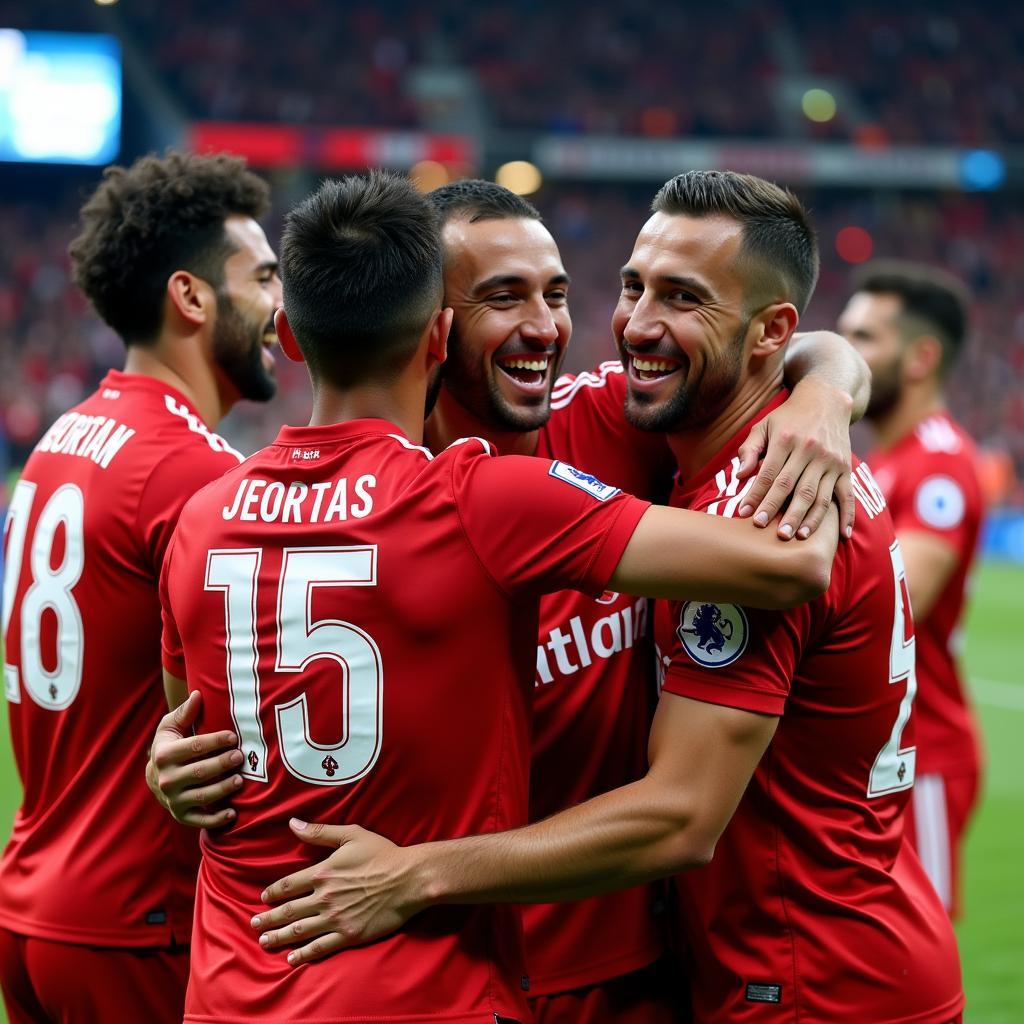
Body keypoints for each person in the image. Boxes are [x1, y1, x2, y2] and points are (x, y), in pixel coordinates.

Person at [249, 171, 965, 1024]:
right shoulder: (341, 511)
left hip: (644, 969)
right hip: (439, 964)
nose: (548, 328)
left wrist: (823, 393)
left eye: (557, 294)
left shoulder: (630, 428)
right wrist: (173, 755)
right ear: (429, 326)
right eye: (503, 298)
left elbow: (780, 347)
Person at [0, 152, 280, 1023]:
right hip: (135, 924)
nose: (280, 309)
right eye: (264, 279)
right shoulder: (194, 471)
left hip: (33, 902)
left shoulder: (63, 438)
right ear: (193, 298)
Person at [839, 263, 985, 917]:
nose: (844, 355)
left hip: (920, 755)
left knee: (911, 965)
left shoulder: (940, 462)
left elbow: (906, 596)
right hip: (878, 751)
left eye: (864, 338)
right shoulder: (886, 461)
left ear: (921, 356)